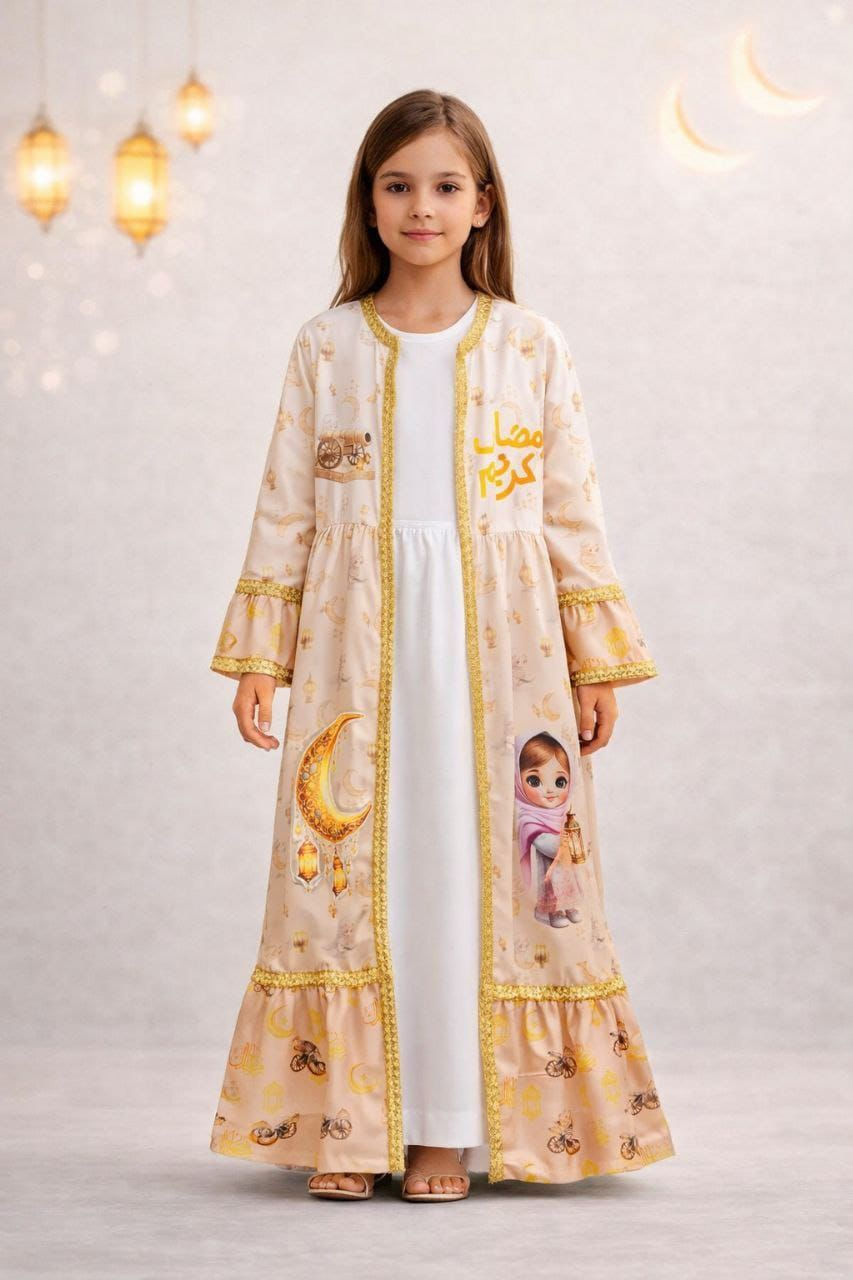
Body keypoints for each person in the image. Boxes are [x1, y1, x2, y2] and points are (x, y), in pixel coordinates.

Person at [208, 88, 676, 1202]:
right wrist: (264, 652)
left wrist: (593, 654)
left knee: (479, 869)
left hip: (502, 651)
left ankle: (445, 1129)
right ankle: (349, 1118)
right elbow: (286, 506)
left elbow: (569, 509)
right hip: (352, 642)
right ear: (369, 203)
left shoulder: (529, 344)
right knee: (356, 871)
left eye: (445, 186)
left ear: (482, 204)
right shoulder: (326, 345)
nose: (421, 206)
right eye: (398, 185)